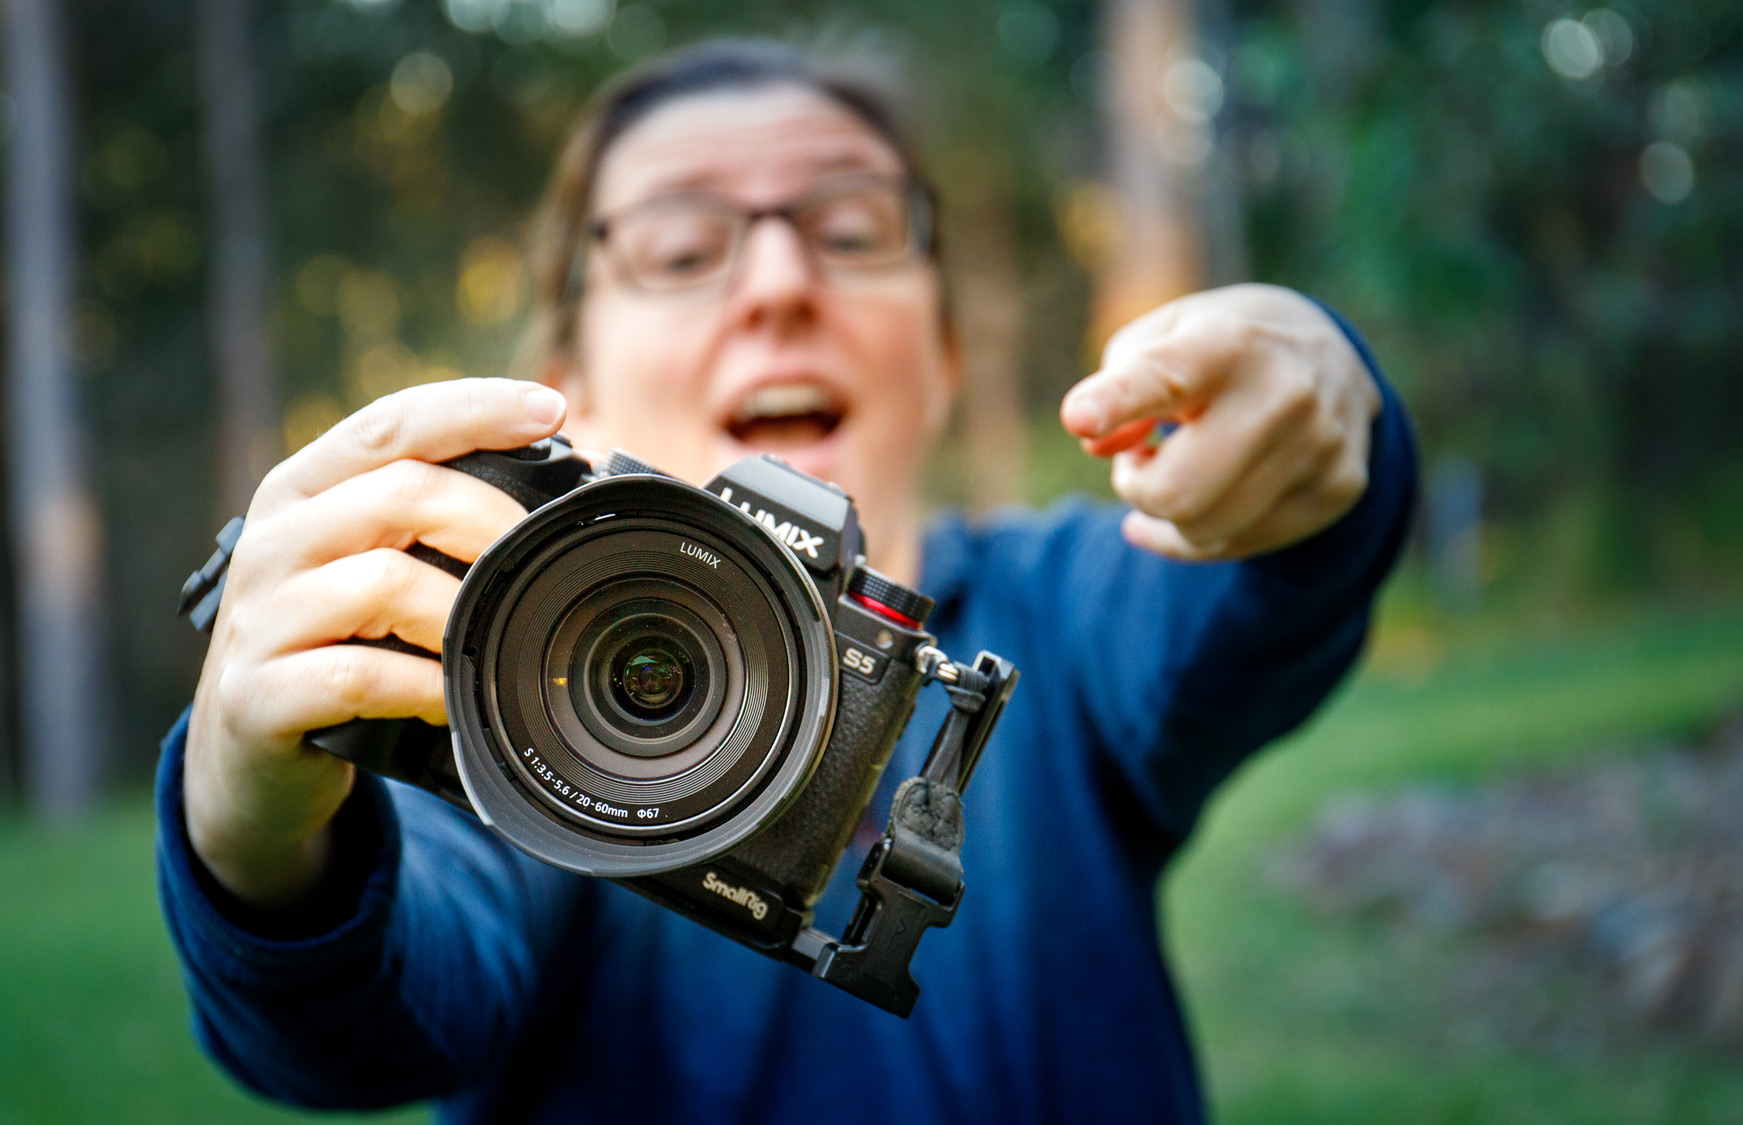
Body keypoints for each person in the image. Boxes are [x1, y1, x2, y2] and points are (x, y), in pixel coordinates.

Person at [157, 39, 1416, 1124]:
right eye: (681, 245)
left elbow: (1251, 598)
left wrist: (1319, 418)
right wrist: (251, 834)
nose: (776, 284)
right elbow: (381, 1014)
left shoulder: (1066, 611)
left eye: (850, 231)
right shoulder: (481, 670)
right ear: (561, 379)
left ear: (942, 352)